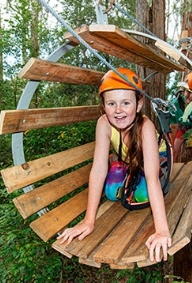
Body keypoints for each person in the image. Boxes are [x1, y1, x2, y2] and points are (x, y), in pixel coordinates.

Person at [58, 68, 171, 262]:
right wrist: (89, 220)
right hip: (128, 160)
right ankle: (128, 174)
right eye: (111, 103)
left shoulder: (145, 126)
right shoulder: (104, 123)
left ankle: (132, 177)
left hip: (153, 162)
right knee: (111, 193)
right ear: (103, 106)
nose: (118, 110)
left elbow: (152, 178)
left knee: (140, 195)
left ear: (138, 105)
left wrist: (162, 230)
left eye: (126, 103)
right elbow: (98, 169)